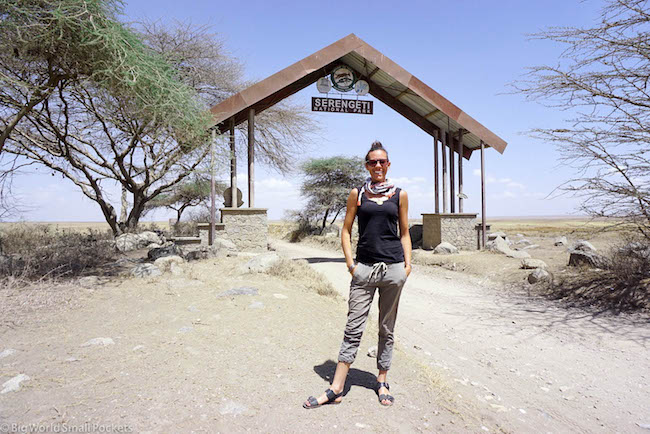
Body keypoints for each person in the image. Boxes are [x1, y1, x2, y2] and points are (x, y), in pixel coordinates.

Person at [303, 141, 412, 409]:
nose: (378, 166)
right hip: (363, 270)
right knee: (353, 327)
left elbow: (405, 232)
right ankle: (336, 387)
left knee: (387, 328)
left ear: (388, 165)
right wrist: (351, 264)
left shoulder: (400, 194)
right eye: (373, 162)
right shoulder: (357, 194)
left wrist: (407, 266)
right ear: (366, 165)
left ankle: (382, 381)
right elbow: (346, 230)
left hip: (394, 269)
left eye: (382, 162)